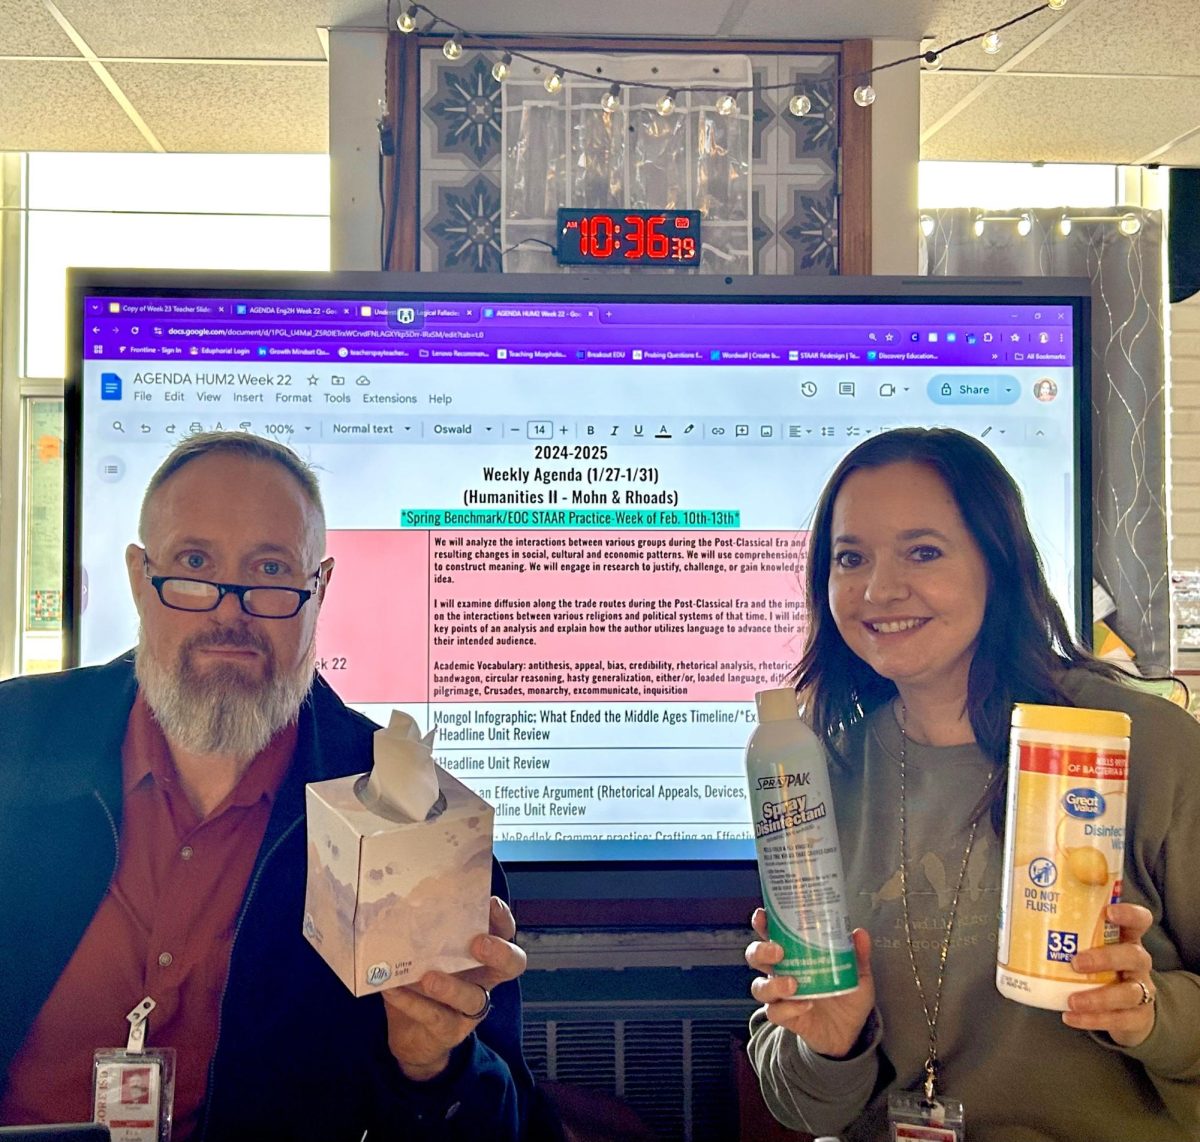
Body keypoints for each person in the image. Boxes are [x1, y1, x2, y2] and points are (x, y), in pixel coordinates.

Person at [0, 432, 549, 1141]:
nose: (230, 612)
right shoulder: (14, 743)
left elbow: (499, 1126)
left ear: (318, 589)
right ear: (141, 578)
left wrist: (428, 1067)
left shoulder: (411, 819)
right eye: (195, 564)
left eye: (270, 570)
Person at [745, 427, 1200, 1141]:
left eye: (922, 552)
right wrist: (828, 1043)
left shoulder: (1144, 747)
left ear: (999, 561)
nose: (878, 589)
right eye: (850, 558)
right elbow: (804, 1105)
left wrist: (1150, 1013)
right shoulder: (817, 774)